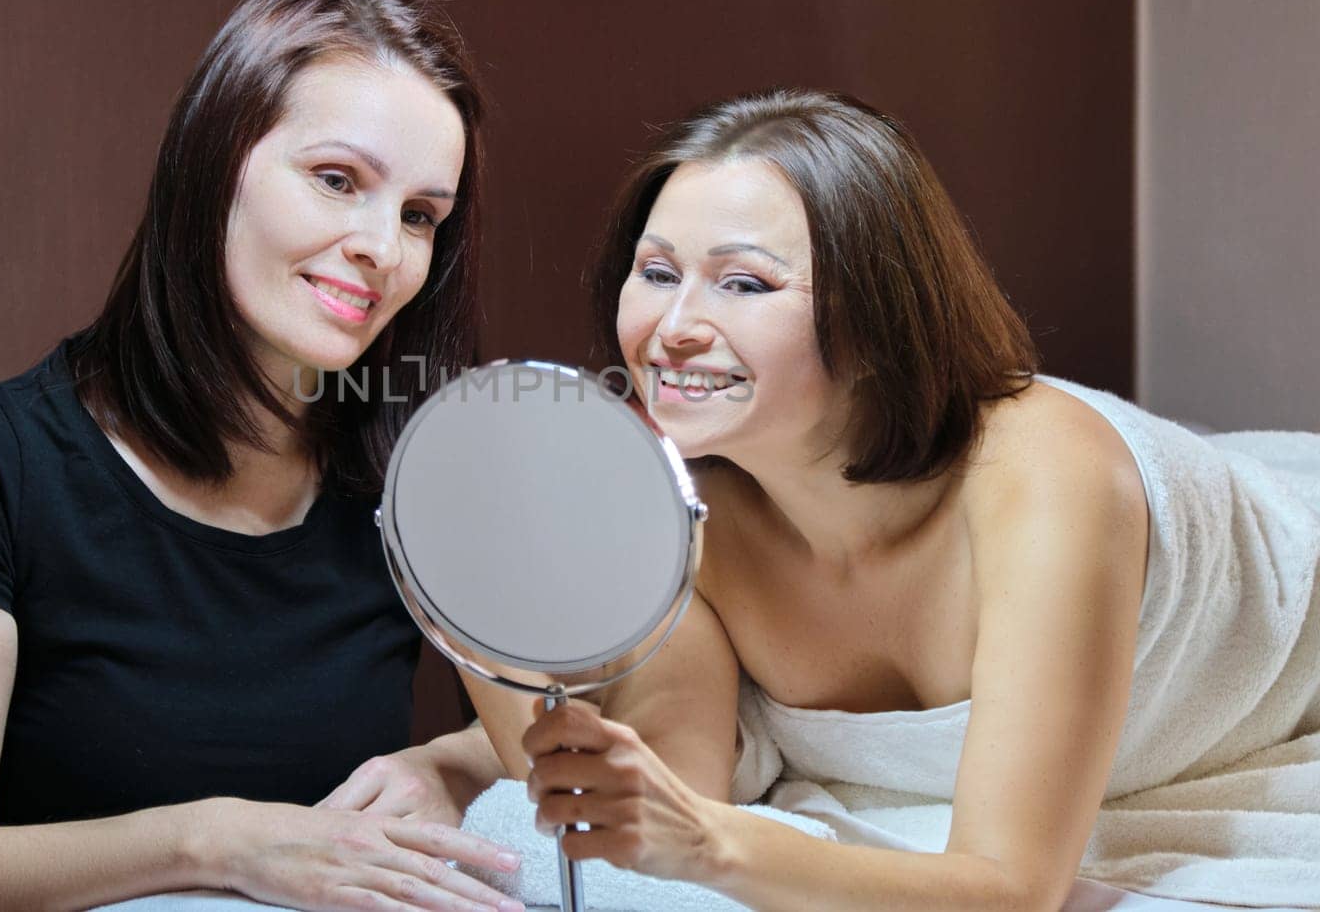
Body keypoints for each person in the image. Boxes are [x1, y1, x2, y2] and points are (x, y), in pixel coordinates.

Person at [468, 88, 1320, 909]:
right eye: (656, 273)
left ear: (879, 314)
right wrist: (476, 588)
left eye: (745, 284)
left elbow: (1012, 889)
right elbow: (654, 809)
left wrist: (716, 848)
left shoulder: (1045, 481)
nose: (675, 325)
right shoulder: (688, 523)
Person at [0, 0, 523, 912]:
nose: (384, 245)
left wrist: (448, 767)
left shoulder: (409, 470)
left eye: (420, 215)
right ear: (213, 165)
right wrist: (216, 840)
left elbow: (581, 743)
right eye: (338, 180)